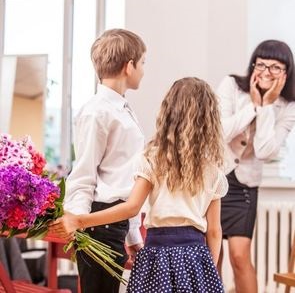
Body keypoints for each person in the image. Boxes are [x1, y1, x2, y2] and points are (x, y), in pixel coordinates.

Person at [50, 77, 229, 293]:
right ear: (208, 120)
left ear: (168, 113)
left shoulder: (152, 158)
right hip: (195, 258)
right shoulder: (213, 170)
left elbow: (131, 207)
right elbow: (215, 231)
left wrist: (81, 220)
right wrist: (208, 270)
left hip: (157, 257)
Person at [61, 28, 147, 293]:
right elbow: (84, 173)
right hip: (99, 223)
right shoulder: (97, 112)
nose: (144, 70)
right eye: (142, 63)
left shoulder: (120, 109)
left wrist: (132, 233)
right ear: (128, 66)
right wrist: (76, 222)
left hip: (116, 222)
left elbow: (125, 178)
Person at [216, 39, 295, 293]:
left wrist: (267, 107)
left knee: (239, 257)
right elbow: (221, 132)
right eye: (261, 64)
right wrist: (253, 105)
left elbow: (264, 151)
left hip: (245, 185)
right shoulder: (231, 85)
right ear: (253, 65)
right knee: (212, 254)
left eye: (275, 68)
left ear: (286, 73)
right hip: (217, 179)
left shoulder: (288, 107)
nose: (266, 72)